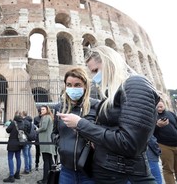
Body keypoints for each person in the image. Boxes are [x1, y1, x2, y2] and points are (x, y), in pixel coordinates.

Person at [57, 45, 160, 183]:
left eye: (95, 70)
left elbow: (129, 143)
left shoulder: (135, 85)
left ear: (109, 63)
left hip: (125, 176)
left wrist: (81, 124)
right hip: (112, 173)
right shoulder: (115, 92)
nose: (93, 78)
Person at [52, 68, 98, 184]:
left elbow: (102, 133)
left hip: (90, 169)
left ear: (85, 86)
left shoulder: (96, 106)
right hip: (66, 170)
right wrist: (61, 143)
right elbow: (54, 133)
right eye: (69, 85)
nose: (73, 88)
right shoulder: (59, 108)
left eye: (77, 85)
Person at [154, 99, 177, 184]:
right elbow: (149, 131)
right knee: (168, 169)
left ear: (164, 105)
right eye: (158, 107)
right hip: (164, 145)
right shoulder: (153, 116)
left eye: (161, 106)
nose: (160, 108)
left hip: (176, 144)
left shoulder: (170, 114)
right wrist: (157, 125)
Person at [3, 110, 30, 183]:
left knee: (10, 158)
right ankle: (17, 173)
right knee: (18, 158)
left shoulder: (13, 123)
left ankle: (11, 175)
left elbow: (8, 130)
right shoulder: (23, 122)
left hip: (12, 142)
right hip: (19, 143)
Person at [36, 105, 56, 184]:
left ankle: (45, 180)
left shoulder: (45, 117)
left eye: (43, 109)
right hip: (48, 141)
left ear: (47, 110)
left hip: (45, 141)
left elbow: (43, 127)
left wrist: (37, 130)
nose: (42, 110)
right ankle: (52, 178)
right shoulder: (49, 117)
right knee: (50, 160)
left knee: (46, 161)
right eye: (41, 109)